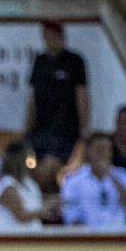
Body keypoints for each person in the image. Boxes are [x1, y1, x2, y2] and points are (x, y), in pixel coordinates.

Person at [26, 21, 90, 188]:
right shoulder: (40, 61)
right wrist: (26, 127)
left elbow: (82, 96)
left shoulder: (74, 61)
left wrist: (84, 130)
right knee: (32, 169)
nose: (50, 42)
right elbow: (33, 97)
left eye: (54, 37)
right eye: (47, 38)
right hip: (41, 129)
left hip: (65, 130)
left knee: (51, 170)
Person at [61, 132, 126, 228]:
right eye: (100, 150)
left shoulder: (121, 175)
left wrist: (112, 176)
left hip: (118, 238)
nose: (104, 154)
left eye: (108, 150)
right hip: (88, 238)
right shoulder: (74, 181)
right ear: (88, 151)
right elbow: (71, 215)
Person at [0, 139, 55, 230]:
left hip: (31, 236)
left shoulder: (29, 182)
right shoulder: (7, 185)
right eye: (28, 157)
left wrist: (54, 202)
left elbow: (33, 202)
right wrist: (44, 210)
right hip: (10, 238)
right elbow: (21, 216)